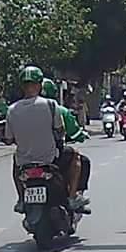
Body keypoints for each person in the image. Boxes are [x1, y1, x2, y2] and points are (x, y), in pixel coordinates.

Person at [4, 66, 87, 214]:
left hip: (24, 161)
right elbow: (59, 130)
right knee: (75, 155)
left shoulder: (12, 110)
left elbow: (9, 139)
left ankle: (21, 199)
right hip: (50, 159)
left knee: (15, 161)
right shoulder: (50, 105)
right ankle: (72, 197)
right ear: (40, 84)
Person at [42, 77, 91, 209]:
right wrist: (80, 135)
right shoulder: (58, 110)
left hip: (27, 157)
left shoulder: (19, 109)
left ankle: (21, 199)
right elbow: (73, 132)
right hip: (53, 155)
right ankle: (73, 196)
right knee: (79, 157)